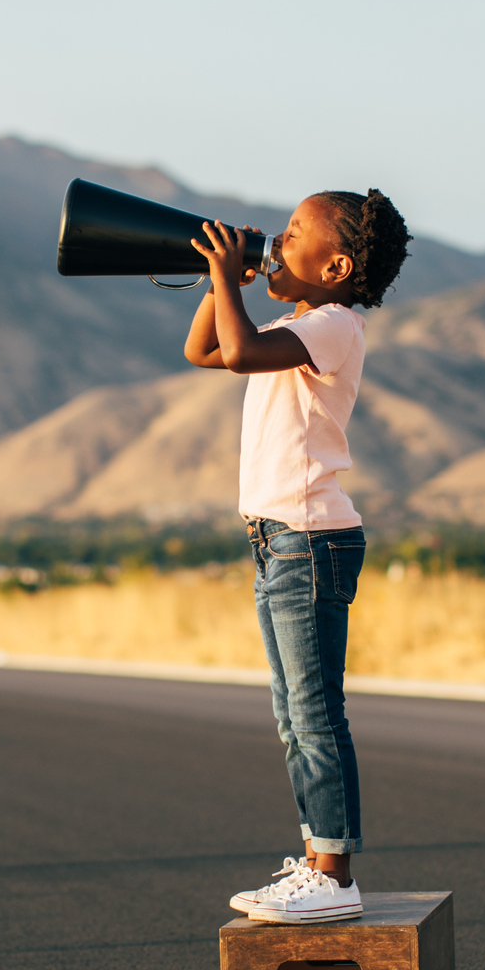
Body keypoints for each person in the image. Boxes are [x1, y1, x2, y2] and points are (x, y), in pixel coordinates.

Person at [182, 190, 412, 924]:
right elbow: (207, 350)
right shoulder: (297, 325)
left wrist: (229, 277)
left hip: (308, 541)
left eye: (289, 234)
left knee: (313, 714)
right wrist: (223, 281)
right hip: (279, 541)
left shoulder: (335, 326)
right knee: (291, 714)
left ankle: (334, 874)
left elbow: (241, 351)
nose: (273, 245)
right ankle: (317, 859)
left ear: (336, 265)